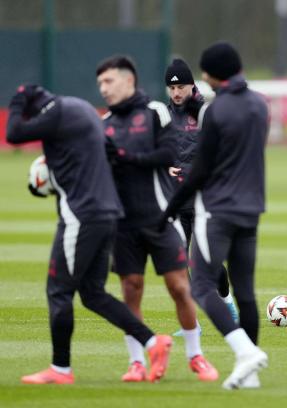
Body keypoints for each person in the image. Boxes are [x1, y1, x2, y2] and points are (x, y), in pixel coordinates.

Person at [6, 84, 172, 384]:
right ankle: (153, 343)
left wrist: (17, 101)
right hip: (107, 214)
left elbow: (14, 133)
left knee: (58, 292)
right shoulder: (80, 107)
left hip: (81, 217)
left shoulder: (55, 112)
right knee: (93, 294)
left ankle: (60, 370)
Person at [96, 55, 218, 382]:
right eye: (101, 84)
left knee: (179, 286)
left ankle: (196, 356)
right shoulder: (105, 123)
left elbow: (167, 152)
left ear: (128, 81)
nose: (104, 89)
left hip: (160, 215)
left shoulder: (156, 113)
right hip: (123, 223)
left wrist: (129, 158)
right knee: (131, 289)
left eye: (109, 82)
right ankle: (137, 362)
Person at [160, 42, 269, 390]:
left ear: (212, 74)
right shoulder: (259, 105)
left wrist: (171, 206)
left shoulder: (215, 111)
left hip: (217, 208)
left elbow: (201, 169)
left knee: (203, 285)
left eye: (205, 73)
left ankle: (244, 352)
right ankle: (250, 372)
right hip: (252, 208)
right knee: (246, 292)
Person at [163, 58, 239, 330]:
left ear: (192, 86)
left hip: (205, 201)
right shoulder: (162, 117)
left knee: (208, 262)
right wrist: (163, 167)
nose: (176, 93)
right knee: (177, 262)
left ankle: (227, 302)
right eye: (171, 88)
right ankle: (190, 322)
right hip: (176, 201)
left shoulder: (207, 113)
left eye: (181, 86)